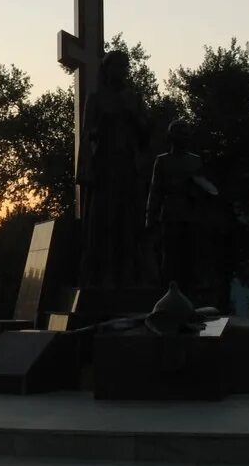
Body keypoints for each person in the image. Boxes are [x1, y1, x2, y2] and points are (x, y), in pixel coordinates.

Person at [76, 51, 149, 287]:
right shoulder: (96, 99)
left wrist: (134, 117)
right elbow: (87, 134)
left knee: (129, 222)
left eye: (124, 66)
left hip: (128, 166)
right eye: (116, 66)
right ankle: (102, 274)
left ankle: (129, 274)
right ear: (106, 71)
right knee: (104, 221)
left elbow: (146, 135)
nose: (121, 70)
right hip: (105, 167)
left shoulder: (133, 99)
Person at [145, 120, 218, 302]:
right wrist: (150, 218)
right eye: (180, 134)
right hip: (170, 215)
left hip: (192, 216)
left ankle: (191, 298)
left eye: (186, 134)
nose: (184, 137)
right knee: (170, 260)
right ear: (171, 137)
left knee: (192, 259)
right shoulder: (162, 161)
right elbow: (155, 191)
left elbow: (205, 187)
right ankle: (168, 298)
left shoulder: (195, 160)